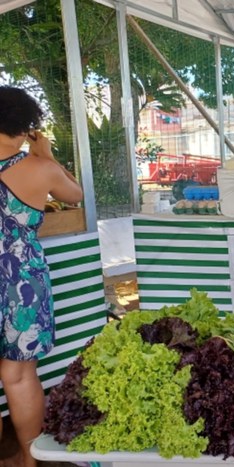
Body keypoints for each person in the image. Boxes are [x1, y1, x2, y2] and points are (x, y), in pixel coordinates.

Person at [0, 86, 83, 467]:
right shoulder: (39, 168)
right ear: (26, 128)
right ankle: (29, 460)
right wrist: (47, 156)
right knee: (18, 376)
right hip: (21, 282)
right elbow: (75, 196)